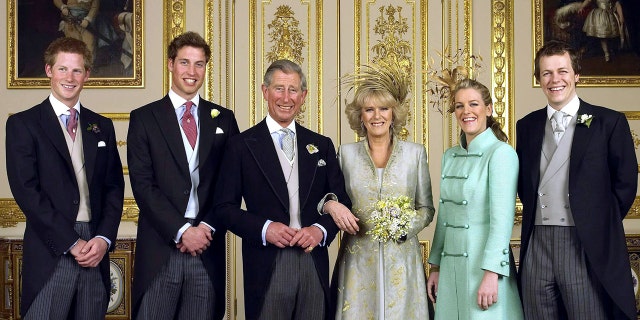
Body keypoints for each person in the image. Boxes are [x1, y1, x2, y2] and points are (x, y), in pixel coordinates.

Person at [213, 59, 352, 320]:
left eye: (293, 90)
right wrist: (266, 229)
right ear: (265, 91)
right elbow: (224, 209)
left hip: (313, 260)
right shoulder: (241, 146)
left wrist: (319, 231)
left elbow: (341, 200)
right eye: (279, 89)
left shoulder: (321, 145)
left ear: (303, 95)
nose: (286, 98)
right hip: (266, 264)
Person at [5, 37, 125, 319]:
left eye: (77, 70)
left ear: (87, 75)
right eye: (62, 69)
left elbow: (113, 188)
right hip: (51, 246)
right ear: (49, 71)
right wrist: (71, 241)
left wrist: (104, 239)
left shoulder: (102, 127)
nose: (69, 78)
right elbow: (27, 191)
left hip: (95, 247)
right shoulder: (23, 124)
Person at [517, 40, 637, 319]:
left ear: (576, 75)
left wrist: (595, 220)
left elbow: (626, 183)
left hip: (583, 242)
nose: (554, 79)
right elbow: (525, 185)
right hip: (537, 243)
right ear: (538, 79)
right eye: (546, 73)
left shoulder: (607, 122)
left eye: (562, 71)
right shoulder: (528, 125)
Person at [128, 31, 239, 320]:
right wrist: (181, 231)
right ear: (170, 64)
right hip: (160, 249)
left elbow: (230, 184)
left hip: (206, 248)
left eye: (199, 64)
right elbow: (143, 184)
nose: (192, 72)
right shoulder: (144, 118)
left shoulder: (223, 119)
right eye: (185, 63)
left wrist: (205, 229)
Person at [329, 62, 435, 319]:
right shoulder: (346, 154)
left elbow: (426, 208)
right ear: (360, 116)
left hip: (402, 260)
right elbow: (331, 197)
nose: (377, 116)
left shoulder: (415, 154)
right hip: (357, 260)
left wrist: (406, 225)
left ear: (393, 113)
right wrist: (332, 205)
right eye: (369, 109)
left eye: (384, 109)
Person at [427, 79, 523, 319]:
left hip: (485, 269)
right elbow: (445, 216)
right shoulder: (450, 155)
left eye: (473, 104)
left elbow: (502, 221)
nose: (466, 111)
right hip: (451, 268)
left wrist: (492, 274)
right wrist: (436, 266)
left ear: (488, 109)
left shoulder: (501, 153)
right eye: (459, 106)